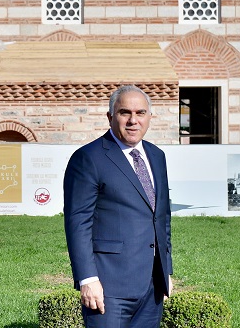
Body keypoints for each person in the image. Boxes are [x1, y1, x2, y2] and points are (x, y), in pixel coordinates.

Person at [63, 85, 173, 327]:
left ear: (150, 117)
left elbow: (162, 217)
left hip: (152, 287)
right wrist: (87, 279)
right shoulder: (88, 158)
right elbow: (77, 222)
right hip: (107, 287)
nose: (133, 120)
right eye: (125, 113)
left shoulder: (157, 156)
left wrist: (166, 270)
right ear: (110, 117)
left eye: (140, 113)